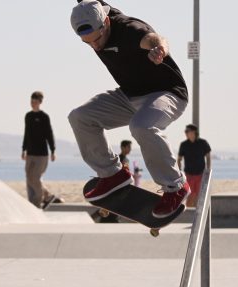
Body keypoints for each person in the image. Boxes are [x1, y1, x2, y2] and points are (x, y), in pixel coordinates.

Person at [68, 0, 190, 219]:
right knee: (80, 117)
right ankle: (112, 175)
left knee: (142, 126)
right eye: (87, 43)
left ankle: (176, 186)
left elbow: (153, 38)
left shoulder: (129, 29)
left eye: (97, 39)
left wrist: (159, 48)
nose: (95, 46)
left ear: (105, 22)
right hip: (129, 96)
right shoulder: (93, 13)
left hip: (166, 93)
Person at [22, 91, 58, 208]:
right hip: (30, 153)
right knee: (29, 178)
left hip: (42, 154)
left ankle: (36, 204)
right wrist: (23, 150)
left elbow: (49, 134)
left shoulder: (44, 117)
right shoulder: (28, 116)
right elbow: (26, 134)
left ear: (40, 102)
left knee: (35, 178)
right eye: (31, 101)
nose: (32, 103)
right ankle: (47, 195)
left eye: (35, 101)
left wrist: (53, 151)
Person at [178, 124, 211, 207]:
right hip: (188, 174)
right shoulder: (184, 145)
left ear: (194, 132)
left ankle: (196, 215)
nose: (186, 133)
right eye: (185, 132)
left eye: (187, 131)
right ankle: (189, 214)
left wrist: (208, 170)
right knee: (190, 196)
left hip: (200, 174)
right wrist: (179, 172)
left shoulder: (203, 143)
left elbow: (208, 156)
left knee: (198, 196)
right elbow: (179, 159)